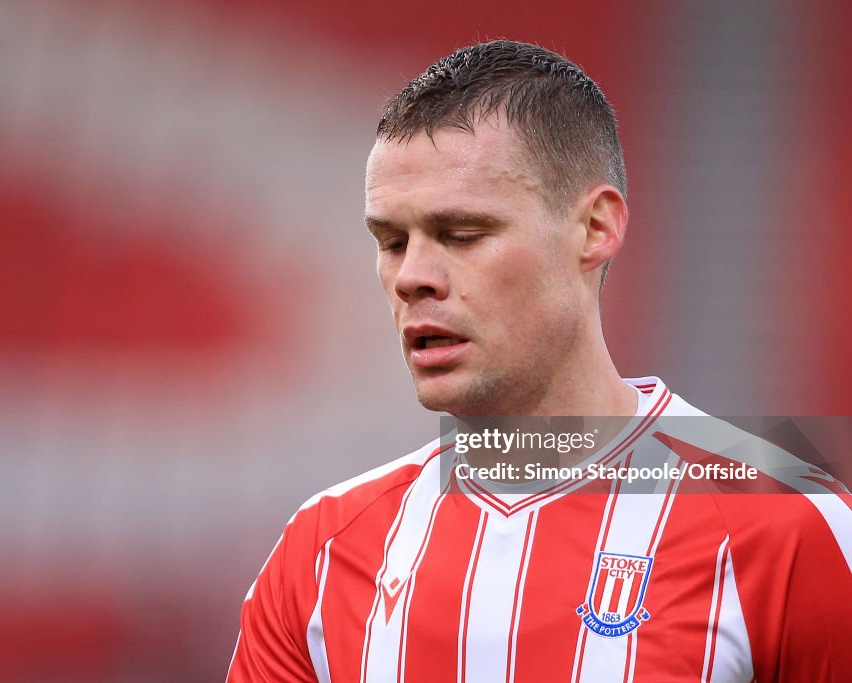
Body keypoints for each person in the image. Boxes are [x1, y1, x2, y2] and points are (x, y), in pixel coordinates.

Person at [226, 40, 852, 682]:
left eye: (462, 235)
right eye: (390, 241)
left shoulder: (786, 521)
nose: (412, 276)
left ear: (596, 229)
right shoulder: (325, 550)